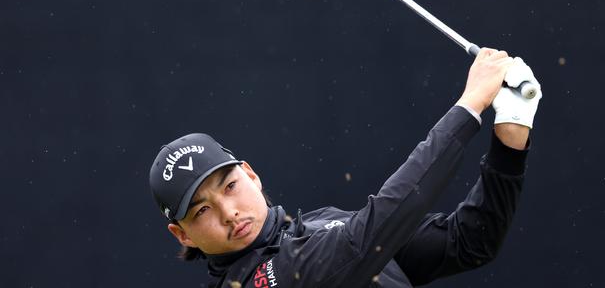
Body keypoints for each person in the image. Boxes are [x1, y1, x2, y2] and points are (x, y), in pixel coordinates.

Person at [148, 48, 542, 288]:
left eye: (229, 186)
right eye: (202, 210)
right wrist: (469, 106)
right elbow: (373, 232)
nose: (228, 212)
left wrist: (510, 138)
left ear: (251, 174)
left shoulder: (321, 225)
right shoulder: (258, 281)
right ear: (183, 236)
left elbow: (471, 242)